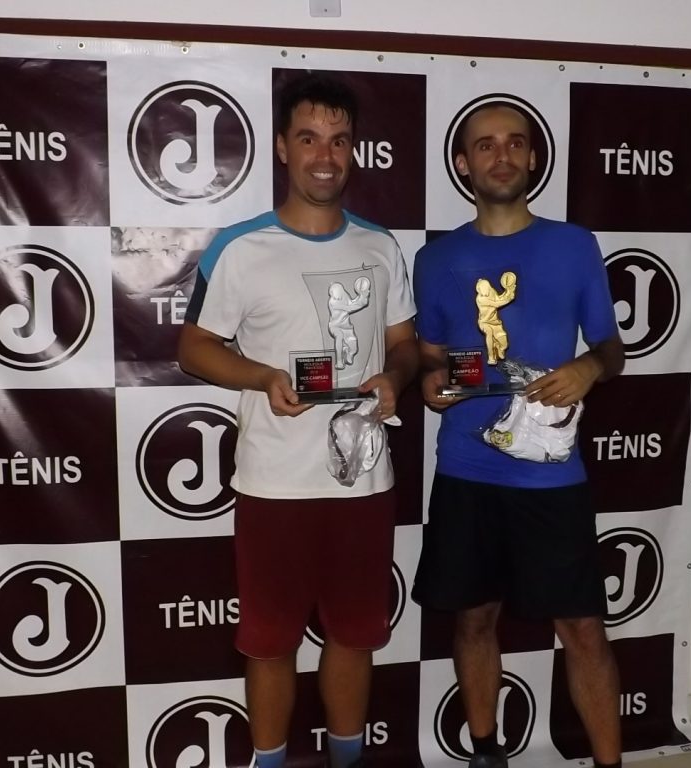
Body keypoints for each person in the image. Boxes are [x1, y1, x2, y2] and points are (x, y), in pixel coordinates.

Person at [178, 73, 418, 768]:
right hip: (274, 483)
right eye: (309, 138)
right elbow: (193, 347)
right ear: (283, 148)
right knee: (270, 642)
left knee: (355, 635)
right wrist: (262, 377)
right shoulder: (240, 246)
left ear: (354, 151)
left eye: (339, 141)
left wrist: (395, 377)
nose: (325, 155)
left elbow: (404, 344)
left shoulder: (381, 246)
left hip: (362, 482)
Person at [411, 102, 624, 768]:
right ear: (463, 163)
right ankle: (486, 753)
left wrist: (589, 367)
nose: (500, 156)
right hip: (467, 470)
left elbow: (610, 348)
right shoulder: (435, 257)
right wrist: (429, 379)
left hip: (551, 476)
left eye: (514, 143)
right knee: (473, 620)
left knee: (582, 629)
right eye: (485, 145)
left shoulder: (575, 245)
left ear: (533, 158)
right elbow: (429, 355)